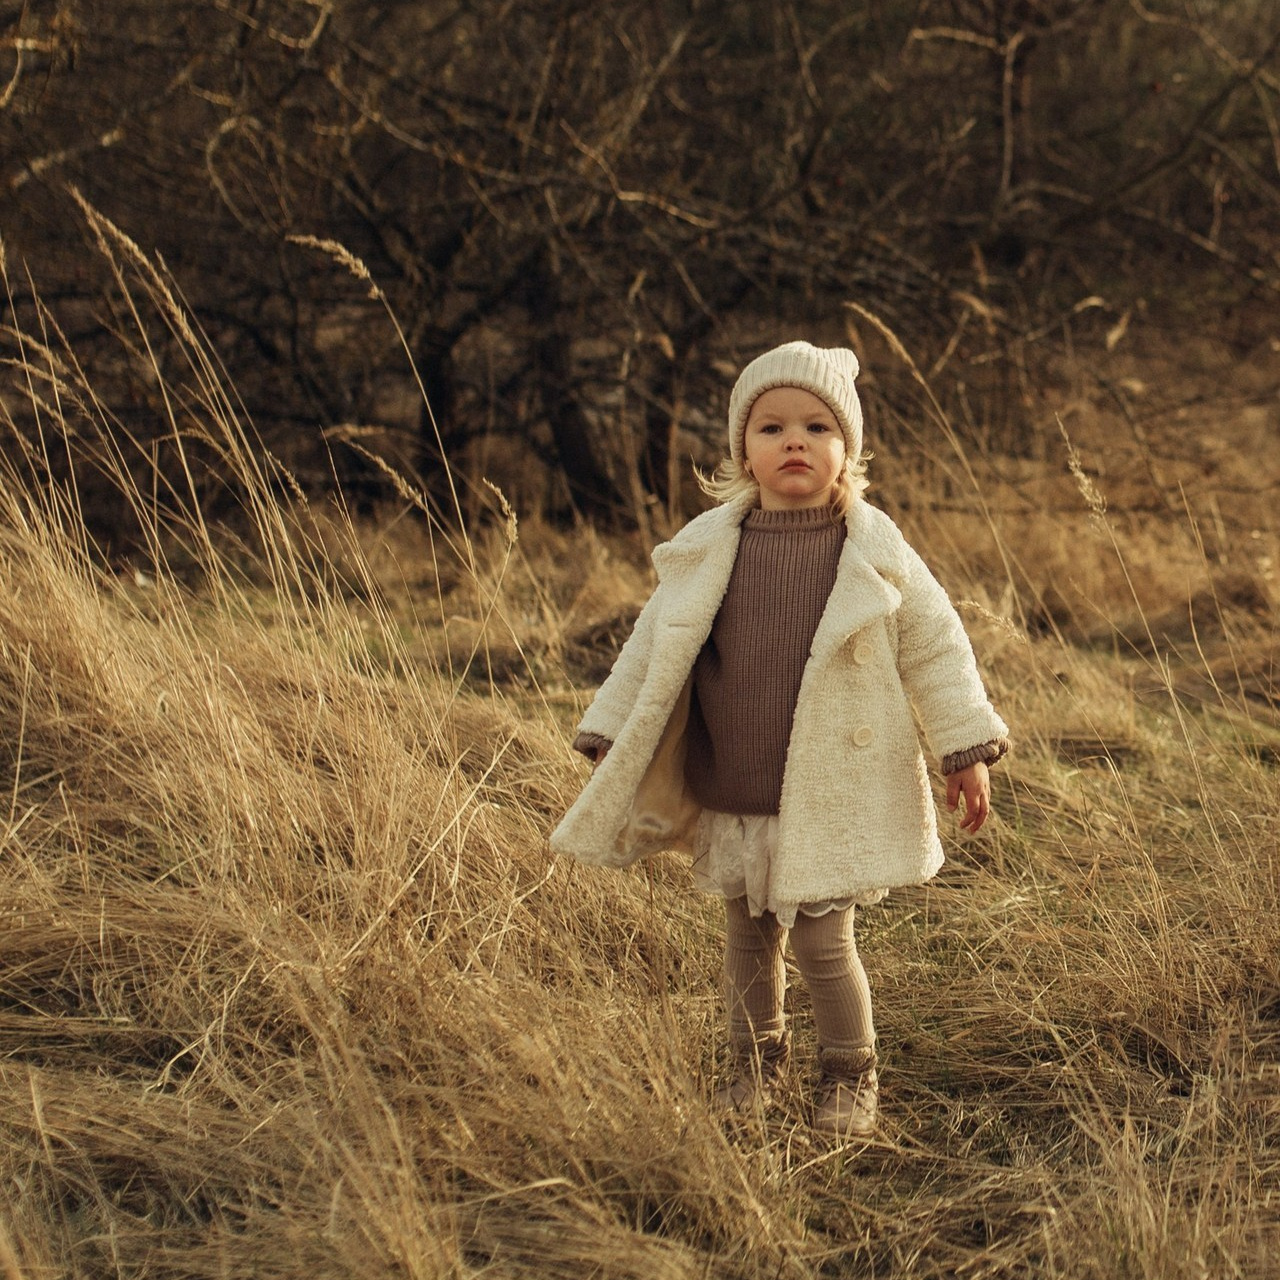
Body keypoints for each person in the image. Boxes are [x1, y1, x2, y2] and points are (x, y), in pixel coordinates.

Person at [551, 341, 1009, 1138]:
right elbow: (653, 646)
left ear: (847, 449)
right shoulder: (711, 547)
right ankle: (752, 1066)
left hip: (833, 789)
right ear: (744, 451)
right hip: (737, 782)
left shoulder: (872, 547)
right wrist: (611, 728)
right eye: (772, 428)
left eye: (817, 427)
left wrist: (963, 747)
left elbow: (937, 646)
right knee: (747, 939)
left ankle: (850, 1071)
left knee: (825, 944)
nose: (795, 441)